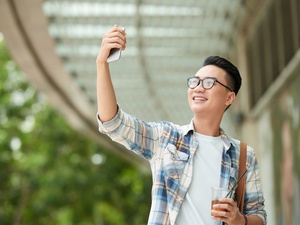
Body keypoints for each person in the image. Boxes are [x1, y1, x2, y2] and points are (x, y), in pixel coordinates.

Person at [96, 25, 267, 225]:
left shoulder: (243, 155)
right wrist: (102, 64)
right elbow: (113, 123)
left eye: (209, 83)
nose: (198, 88)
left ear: (229, 97)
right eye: (195, 82)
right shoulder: (166, 138)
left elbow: (259, 216)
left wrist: (240, 220)